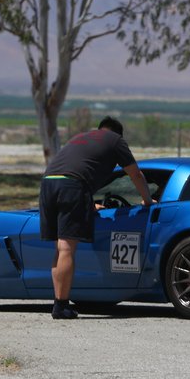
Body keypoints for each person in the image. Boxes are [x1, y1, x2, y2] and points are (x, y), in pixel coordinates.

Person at [39, 116, 154, 319]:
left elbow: (77, 167)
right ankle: (61, 307)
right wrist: (146, 200)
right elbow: (135, 174)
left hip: (48, 183)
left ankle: (59, 303)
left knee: (60, 247)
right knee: (67, 247)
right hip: (72, 186)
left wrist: (88, 203)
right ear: (118, 133)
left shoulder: (82, 137)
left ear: (99, 129)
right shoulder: (115, 140)